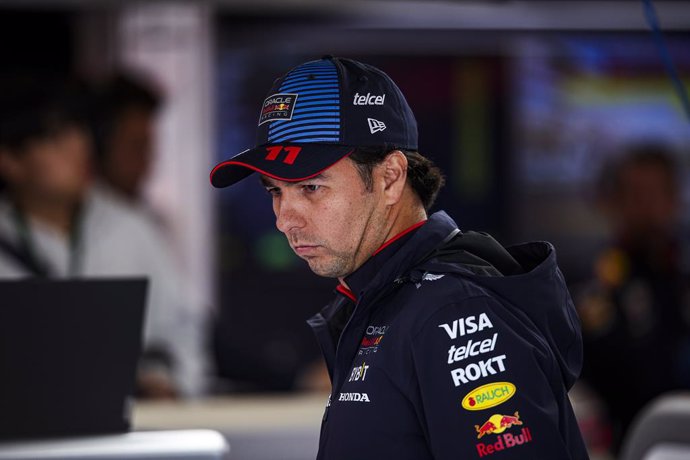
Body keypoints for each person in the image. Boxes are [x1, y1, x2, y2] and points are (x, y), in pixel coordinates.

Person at [210, 56, 589, 459]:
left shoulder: (454, 312)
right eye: (275, 192)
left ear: (390, 177)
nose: (285, 219)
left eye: (311, 188)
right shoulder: (384, 301)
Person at [0, 75, 207, 398]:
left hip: (131, 429)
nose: (78, 147)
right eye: (56, 138)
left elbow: (184, 333)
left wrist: (163, 379)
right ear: (10, 160)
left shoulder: (131, 227)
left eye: (80, 131)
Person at [577, 144, 690, 452]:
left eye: (658, 195)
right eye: (637, 196)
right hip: (637, 439)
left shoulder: (681, 269)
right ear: (616, 203)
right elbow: (604, 375)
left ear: (674, 199)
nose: (649, 208)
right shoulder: (601, 283)